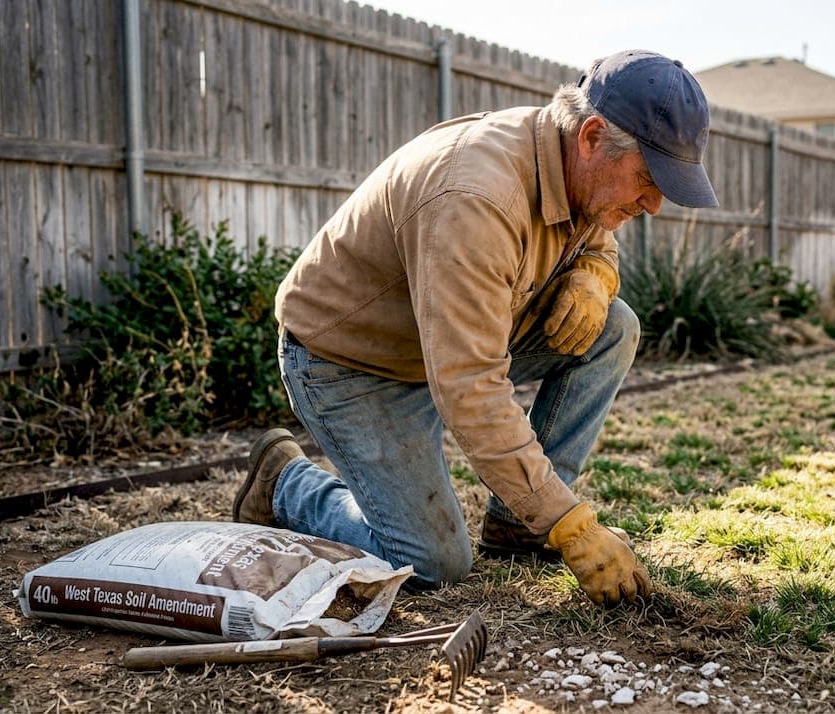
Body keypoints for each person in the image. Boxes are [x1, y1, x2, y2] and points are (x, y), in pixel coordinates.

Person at [232, 49, 718, 606]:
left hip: (433, 346)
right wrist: (572, 526)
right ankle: (285, 483)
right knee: (431, 563)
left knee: (612, 326)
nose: (654, 204)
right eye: (648, 178)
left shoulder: (577, 171)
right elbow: (470, 387)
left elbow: (598, 231)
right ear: (590, 137)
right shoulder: (475, 197)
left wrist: (594, 272)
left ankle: (519, 523)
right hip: (349, 363)